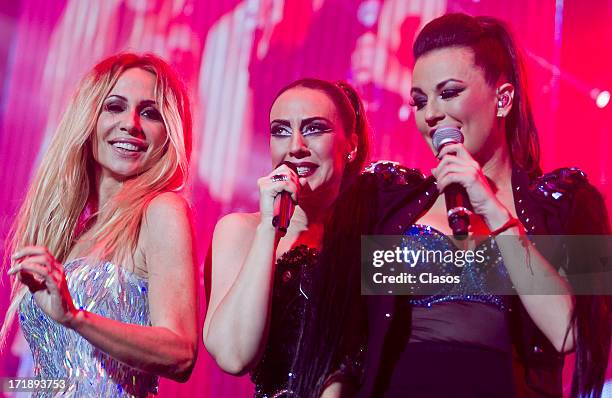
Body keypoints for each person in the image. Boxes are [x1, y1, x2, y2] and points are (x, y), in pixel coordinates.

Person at [356, 13, 610, 398]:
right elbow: (347, 338)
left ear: (502, 98)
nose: (431, 114)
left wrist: (494, 212)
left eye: (450, 92)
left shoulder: (565, 204)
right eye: (420, 100)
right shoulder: (391, 205)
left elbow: (571, 335)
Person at [2, 53, 198, 397]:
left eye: (150, 113)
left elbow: (180, 352)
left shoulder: (161, 211)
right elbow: (59, 376)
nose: (131, 123)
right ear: (87, 119)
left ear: (168, 133)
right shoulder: (73, 233)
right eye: (115, 107)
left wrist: (77, 317)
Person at [203, 78, 370, 397]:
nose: (295, 146)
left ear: (352, 144)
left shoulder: (373, 234)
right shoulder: (241, 231)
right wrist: (271, 227)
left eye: (314, 128)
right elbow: (234, 355)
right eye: (280, 130)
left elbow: (483, 274)